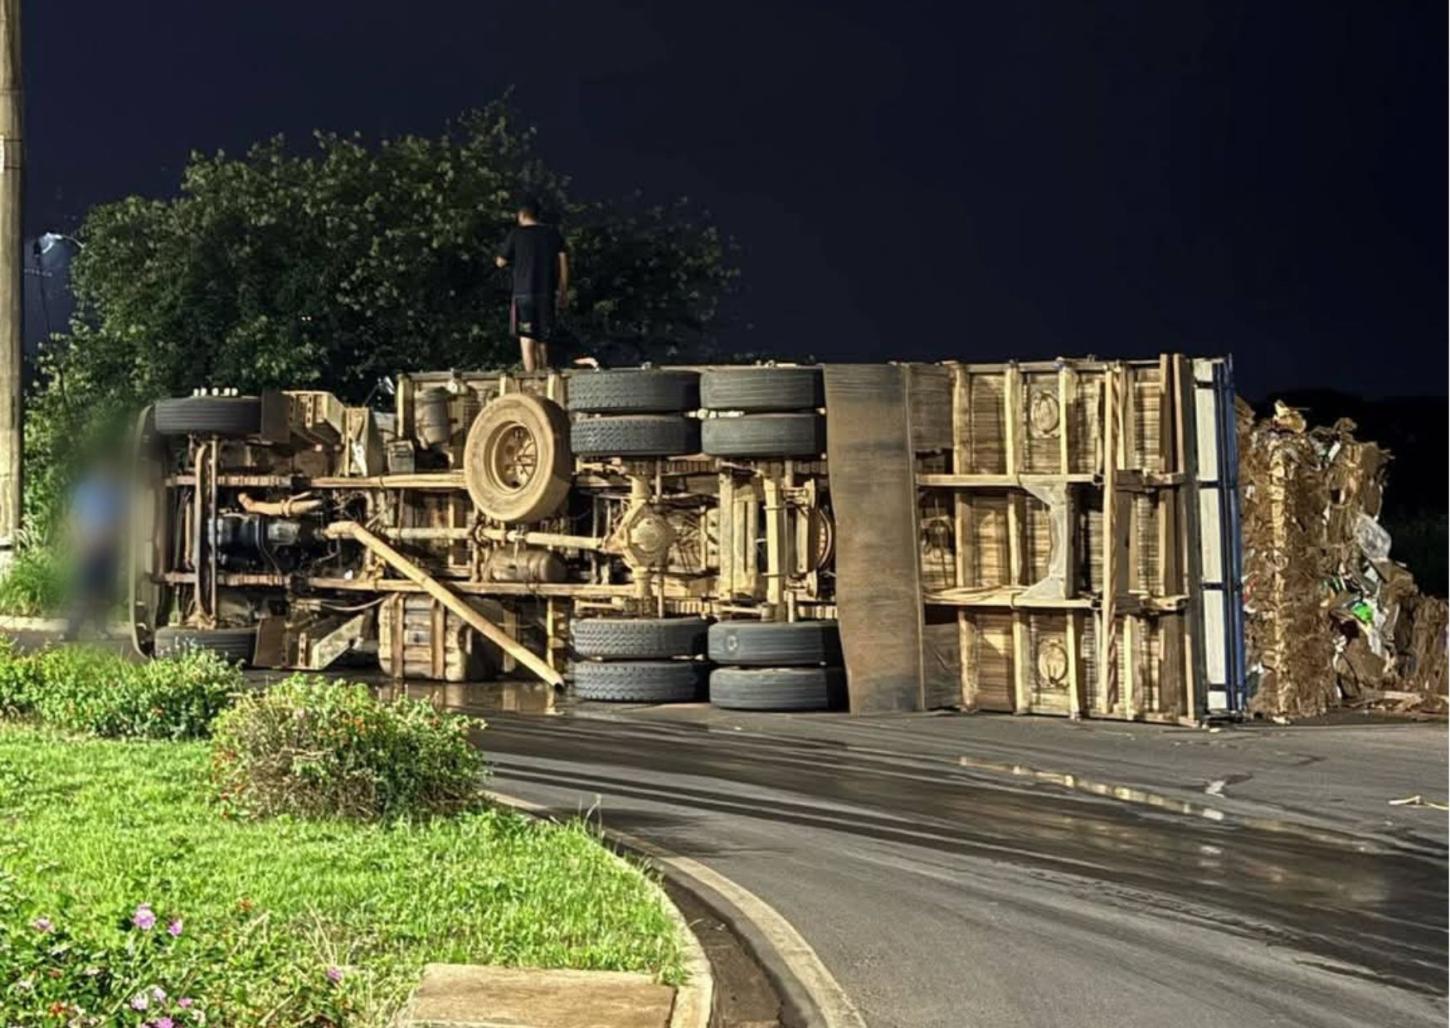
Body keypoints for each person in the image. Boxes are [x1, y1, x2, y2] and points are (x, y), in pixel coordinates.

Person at [495, 198, 569, 371]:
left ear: (521, 215)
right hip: (545, 293)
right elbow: (563, 261)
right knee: (543, 339)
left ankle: (531, 379)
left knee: (527, 340)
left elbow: (500, 262)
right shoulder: (552, 234)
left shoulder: (516, 234)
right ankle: (545, 376)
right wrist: (563, 291)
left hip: (523, 295)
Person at [62, 459, 125, 641]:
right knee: (83, 590)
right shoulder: (86, 491)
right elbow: (74, 517)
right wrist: (80, 541)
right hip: (88, 546)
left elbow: (123, 521)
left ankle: (101, 629)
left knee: (104, 592)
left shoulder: (116, 493)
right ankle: (72, 630)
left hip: (110, 547)